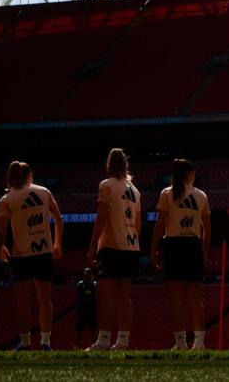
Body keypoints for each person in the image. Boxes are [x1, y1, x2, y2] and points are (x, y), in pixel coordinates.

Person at [0, 160, 63, 352]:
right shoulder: (44, 192)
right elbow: (58, 218)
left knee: (23, 301)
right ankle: (46, 342)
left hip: (21, 254)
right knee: (45, 298)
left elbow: (1, 230)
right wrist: (57, 243)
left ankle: (25, 343)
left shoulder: (7, 199)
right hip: (43, 252)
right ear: (29, 175)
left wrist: (0, 247)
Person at [151, 158, 211, 351]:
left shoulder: (167, 193)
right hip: (193, 245)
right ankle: (199, 343)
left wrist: (153, 248)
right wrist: (204, 252)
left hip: (174, 245)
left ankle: (181, 343)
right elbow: (207, 229)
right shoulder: (201, 195)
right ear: (189, 174)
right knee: (195, 297)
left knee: (175, 298)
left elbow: (160, 224)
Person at [85, 148, 140, 351]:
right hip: (131, 245)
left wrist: (92, 245)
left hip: (110, 245)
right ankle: (123, 341)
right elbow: (138, 222)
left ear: (108, 165)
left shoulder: (106, 185)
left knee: (105, 293)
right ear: (125, 165)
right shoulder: (134, 190)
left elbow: (101, 217)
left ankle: (104, 339)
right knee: (124, 296)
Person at [74, 268, 98, 350]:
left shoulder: (95, 284)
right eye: (85, 274)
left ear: (92, 275)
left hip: (92, 310)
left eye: (89, 274)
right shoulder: (80, 284)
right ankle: (76, 346)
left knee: (93, 329)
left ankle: (93, 345)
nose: (87, 276)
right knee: (79, 330)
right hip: (82, 310)